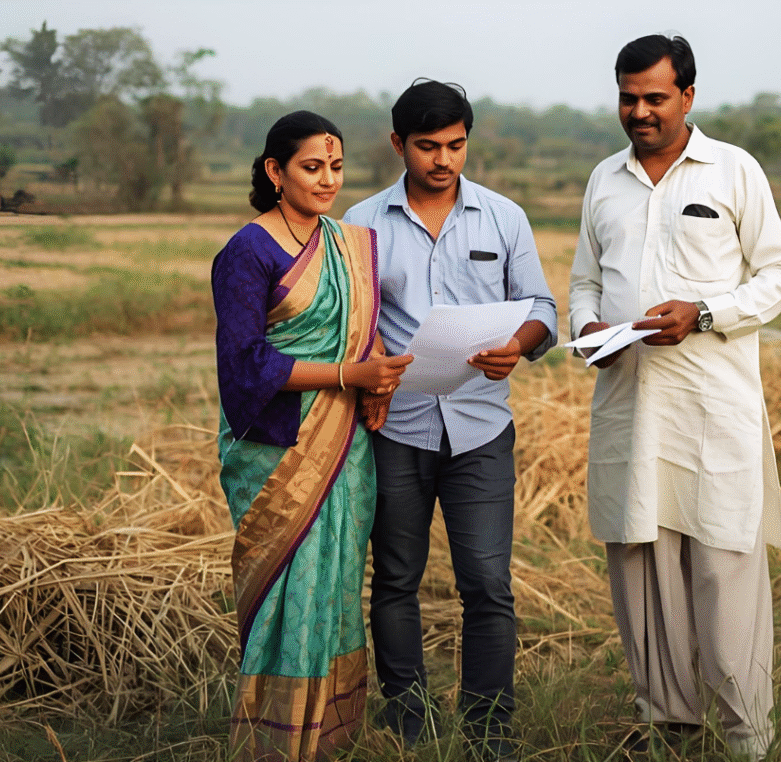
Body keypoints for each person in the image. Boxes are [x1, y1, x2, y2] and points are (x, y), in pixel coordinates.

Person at [568, 35, 781, 761]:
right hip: (631, 411)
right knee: (641, 574)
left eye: (654, 97)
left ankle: (747, 739)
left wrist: (702, 313)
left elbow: (780, 276)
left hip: (713, 414)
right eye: (628, 97)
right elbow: (582, 282)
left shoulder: (733, 170)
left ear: (688, 97)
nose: (639, 111)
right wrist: (587, 328)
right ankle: (668, 731)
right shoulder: (604, 179)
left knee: (725, 578)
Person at [343, 80, 558, 761]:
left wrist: (517, 347)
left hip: (481, 427)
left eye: (456, 145)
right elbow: (349, 324)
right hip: (395, 429)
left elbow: (542, 308)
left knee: (488, 585)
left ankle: (490, 730)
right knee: (396, 579)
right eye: (428, 147)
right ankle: (408, 722)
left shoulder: (504, 217)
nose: (443, 160)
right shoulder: (360, 223)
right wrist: (369, 359)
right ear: (398, 144)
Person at [212, 111, 413, 761]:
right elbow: (246, 367)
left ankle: (331, 734)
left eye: (336, 167)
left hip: (346, 447)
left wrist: (376, 377)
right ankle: (276, 741)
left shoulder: (347, 243)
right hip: (279, 450)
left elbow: (362, 325)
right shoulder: (247, 251)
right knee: (289, 589)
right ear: (275, 171)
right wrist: (348, 374)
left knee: (334, 583)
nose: (328, 180)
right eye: (311, 167)